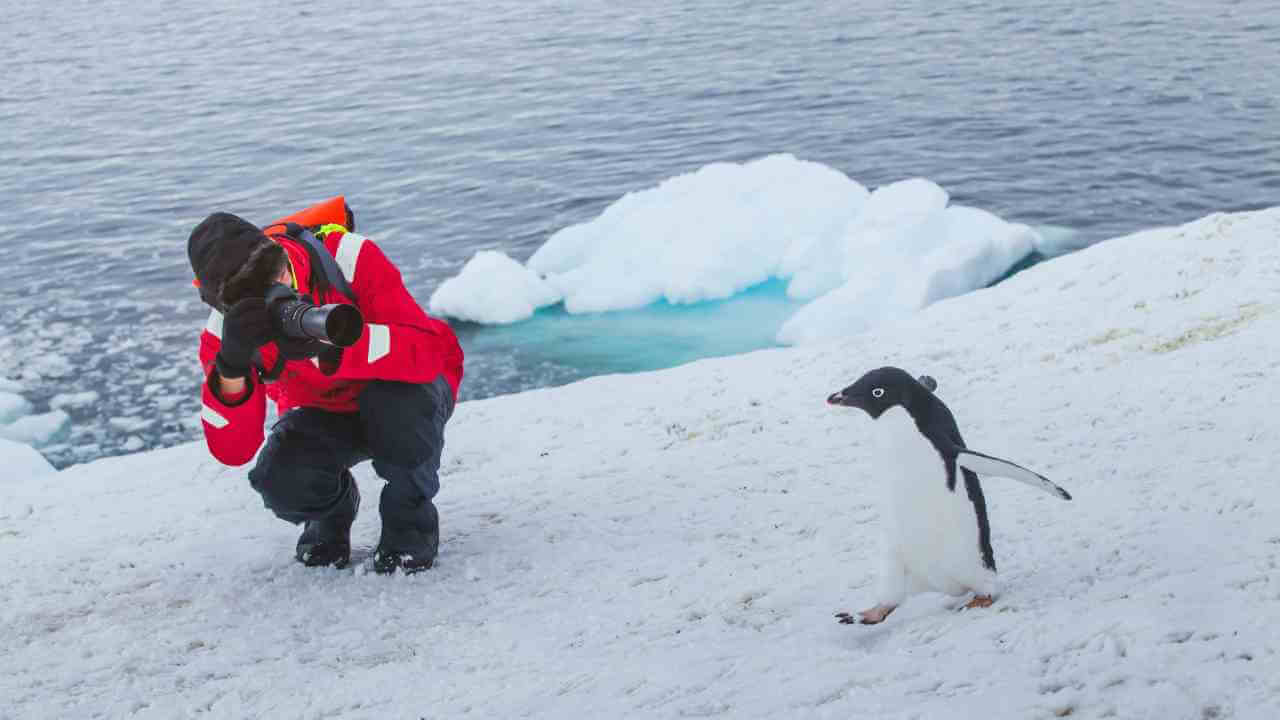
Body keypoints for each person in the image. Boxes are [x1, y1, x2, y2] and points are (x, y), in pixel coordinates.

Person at [187, 205, 464, 573]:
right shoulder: (227, 333)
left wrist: (337, 349)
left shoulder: (347, 258)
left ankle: (410, 523)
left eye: (280, 272)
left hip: (406, 392)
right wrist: (232, 368)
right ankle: (332, 511)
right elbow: (233, 450)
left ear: (280, 251)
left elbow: (427, 354)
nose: (285, 289)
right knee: (280, 479)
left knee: (400, 415)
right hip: (327, 412)